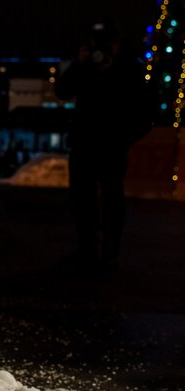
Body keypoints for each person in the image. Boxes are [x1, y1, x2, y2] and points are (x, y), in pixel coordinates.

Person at [55, 21, 153, 271]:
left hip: (111, 147)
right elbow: (62, 91)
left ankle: (110, 254)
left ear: (117, 45)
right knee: (82, 200)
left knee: (112, 201)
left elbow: (145, 114)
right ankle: (87, 250)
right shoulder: (87, 66)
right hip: (83, 144)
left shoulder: (130, 69)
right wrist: (80, 64)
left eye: (106, 43)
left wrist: (123, 139)